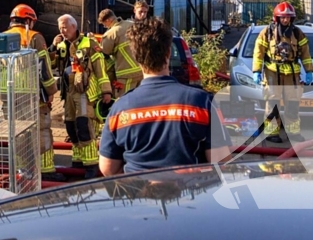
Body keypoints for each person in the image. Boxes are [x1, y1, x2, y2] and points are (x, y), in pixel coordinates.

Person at [99, 17, 231, 175]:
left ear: (135, 57)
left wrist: (138, 183)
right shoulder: (202, 103)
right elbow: (221, 162)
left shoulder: (120, 109)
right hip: (190, 189)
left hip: (138, 190)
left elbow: (108, 168)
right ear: (168, 52)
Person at [5, 4, 61, 181]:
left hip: (10, 96)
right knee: (41, 130)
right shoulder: (34, 37)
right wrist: (51, 90)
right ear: (28, 20)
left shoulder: (2, 37)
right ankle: (46, 170)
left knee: (18, 133)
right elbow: (44, 67)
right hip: (33, 94)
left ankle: (22, 170)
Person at [50, 14, 109, 178]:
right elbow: (50, 63)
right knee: (70, 126)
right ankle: (77, 161)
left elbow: (100, 69)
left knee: (84, 126)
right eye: (60, 27)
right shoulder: (61, 45)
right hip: (68, 92)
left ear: (74, 27)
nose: (62, 30)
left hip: (84, 91)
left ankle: (91, 164)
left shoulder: (89, 44)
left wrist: (106, 91)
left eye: (64, 27)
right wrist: (53, 47)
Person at [251, 2, 313, 144]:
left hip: (292, 75)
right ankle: (272, 133)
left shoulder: (297, 33)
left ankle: (293, 132)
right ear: (277, 18)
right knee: (272, 105)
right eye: (283, 17)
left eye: (288, 17)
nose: (285, 20)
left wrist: (309, 70)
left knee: (292, 105)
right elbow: (258, 53)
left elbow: (305, 53)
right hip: (273, 73)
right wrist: (256, 71)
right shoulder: (267, 32)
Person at [100, 4, 144, 99]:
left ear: (108, 20)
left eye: (104, 24)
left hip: (126, 74)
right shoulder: (132, 24)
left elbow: (104, 53)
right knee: (141, 99)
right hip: (141, 70)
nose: (105, 26)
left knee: (124, 100)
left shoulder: (110, 34)